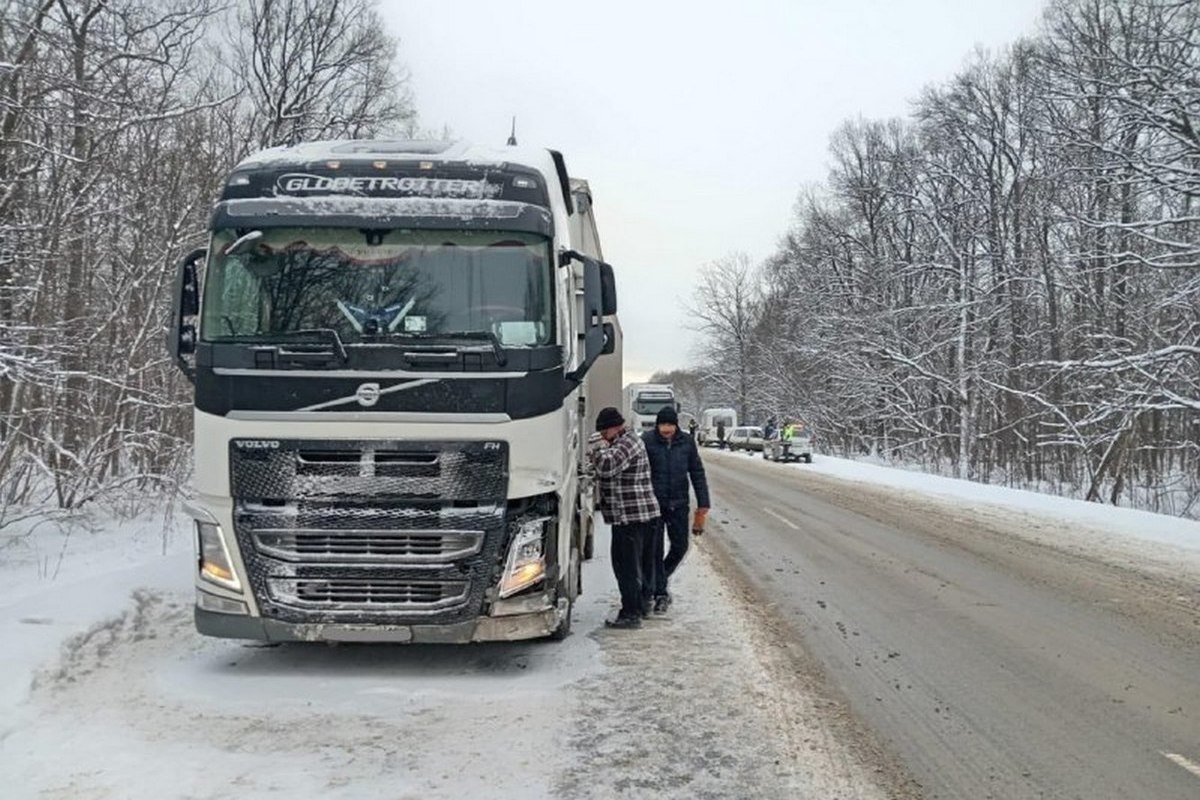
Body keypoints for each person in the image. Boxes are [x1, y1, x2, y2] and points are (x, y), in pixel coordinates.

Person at [589, 406, 661, 629]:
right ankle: (642, 603)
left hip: (632, 517)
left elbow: (608, 466)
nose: (602, 437)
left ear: (614, 427)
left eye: (604, 432)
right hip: (636, 516)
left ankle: (631, 613)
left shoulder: (628, 442)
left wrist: (596, 451)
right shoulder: (624, 442)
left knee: (626, 567)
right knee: (639, 564)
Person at [641, 406, 710, 614]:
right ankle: (660, 593)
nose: (666, 429)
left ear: (676, 425)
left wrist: (703, 502)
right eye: (663, 425)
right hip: (654, 504)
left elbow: (696, 471)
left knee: (680, 546)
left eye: (670, 425)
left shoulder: (687, 442)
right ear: (657, 425)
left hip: (679, 503)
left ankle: (655, 579)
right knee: (654, 550)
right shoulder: (647, 441)